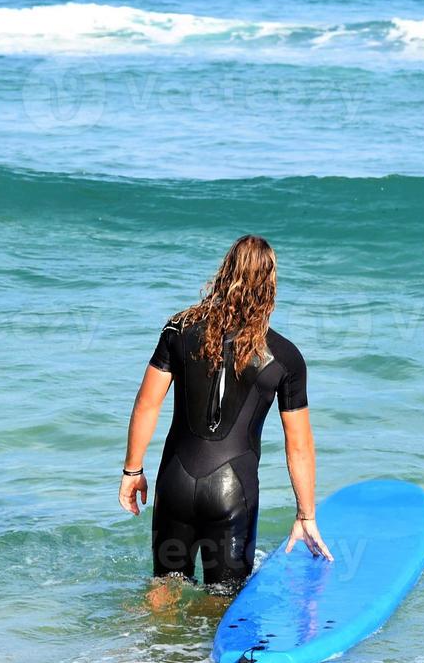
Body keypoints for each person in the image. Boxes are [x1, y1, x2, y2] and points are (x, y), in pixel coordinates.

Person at [119, 235, 332, 595]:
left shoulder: (179, 329)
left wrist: (132, 471)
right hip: (232, 492)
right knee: (225, 606)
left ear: (225, 273)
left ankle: (151, 652)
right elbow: (299, 445)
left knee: (164, 591)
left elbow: (147, 402)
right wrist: (305, 515)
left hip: (175, 483)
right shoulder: (285, 357)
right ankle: (204, 654)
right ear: (270, 285)